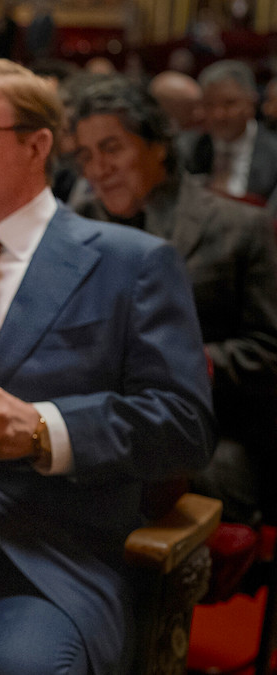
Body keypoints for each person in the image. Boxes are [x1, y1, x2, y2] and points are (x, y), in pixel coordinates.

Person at [0, 57, 214, 673]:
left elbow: (183, 426)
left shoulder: (131, 264)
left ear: (36, 144)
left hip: (42, 561)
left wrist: (44, 428)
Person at [69, 77, 277, 525]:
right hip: (98, 421)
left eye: (112, 148)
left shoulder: (240, 226)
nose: (97, 169)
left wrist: (183, 363)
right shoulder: (74, 228)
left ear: (159, 145)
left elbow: (269, 350)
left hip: (213, 435)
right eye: (85, 155)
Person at [178, 59, 277, 207]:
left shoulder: (274, 152)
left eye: (229, 103)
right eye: (209, 104)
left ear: (251, 102)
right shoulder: (188, 148)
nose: (219, 115)